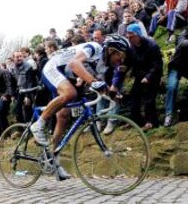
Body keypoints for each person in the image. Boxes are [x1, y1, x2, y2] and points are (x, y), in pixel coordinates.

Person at [30, 35, 130, 180]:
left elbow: (95, 81)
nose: (120, 61)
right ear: (112, 50)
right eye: (120, 57)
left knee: (63, 117)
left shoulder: (104, 64)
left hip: (64, 75)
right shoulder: (94, 48)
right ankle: (38, 125)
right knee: (70, 93)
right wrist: (93, 82)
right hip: (53, 68)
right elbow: (74, 64)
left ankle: (53, 161)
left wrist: (110, 92)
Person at [126, 23, 163, 130]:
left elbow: (157, 64)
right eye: (128, 36)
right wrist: (124, 67)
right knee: (133, 97)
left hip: (153, 75)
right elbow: (129, 62)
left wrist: (148, 77)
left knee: (148, 98)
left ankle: (151, 122)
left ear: (138, 35)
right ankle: (137, 121)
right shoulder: (131, 48)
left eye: (131, 35)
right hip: (140, 76)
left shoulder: (152, 45)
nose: (129, 38)